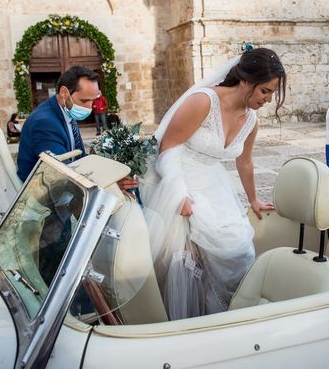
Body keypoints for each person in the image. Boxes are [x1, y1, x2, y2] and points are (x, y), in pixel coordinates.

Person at [140, 48, 286, 320]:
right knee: (187, 262)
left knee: (239, 249)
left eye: (271, 93)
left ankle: (223, 315)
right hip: (177, 178)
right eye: (265, 91)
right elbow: (168, 147)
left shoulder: (251, 120)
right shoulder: (203, 101)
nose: (268, 99)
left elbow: (245, 161)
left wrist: (253, 199)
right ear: (245, 81)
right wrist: (177, 194)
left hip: (213, 185)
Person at [16, 65, 137, 195]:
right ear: (64, 93)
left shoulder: (66, 111)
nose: (90, 107)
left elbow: (80, 157)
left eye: (92, 101)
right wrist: (109, 185)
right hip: (43, 196)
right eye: (84, 100)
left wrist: (111, 172)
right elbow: (62, 176)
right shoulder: (45, 123)